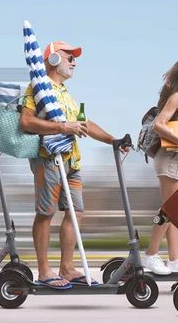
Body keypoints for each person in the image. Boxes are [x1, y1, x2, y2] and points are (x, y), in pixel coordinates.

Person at [20, 41, 129, 289]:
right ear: (53, 59)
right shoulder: (36, 88)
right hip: (48, 160)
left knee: (76, 212)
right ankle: (44, 271)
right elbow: (26, 122)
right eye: (69, 57)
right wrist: (62, 127)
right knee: (45, 214)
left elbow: (84, 124)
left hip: (72, 161)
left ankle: (67, 269)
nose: (74, 61)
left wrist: (113, 140)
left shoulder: (66, 93)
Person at [140, 60, 178, 275]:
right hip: (169, 159)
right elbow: (159, 124)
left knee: (175, 211)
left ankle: (174, 259)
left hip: (177, 160)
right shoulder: (177, 97)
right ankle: (150, 255)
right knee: (171, 210)